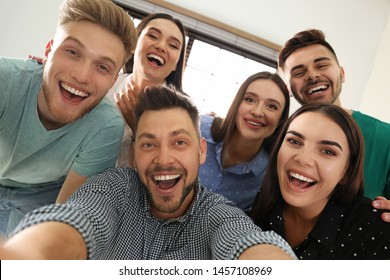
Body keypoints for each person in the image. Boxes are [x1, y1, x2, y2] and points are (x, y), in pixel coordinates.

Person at [0, 86, 296, 260]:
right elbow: (79, 218)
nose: (163, 159)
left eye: (179, 142)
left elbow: (245, 242)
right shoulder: (114, 188)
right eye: (148, 144)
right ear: (133, 152)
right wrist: (27, 257)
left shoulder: (219, 215)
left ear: (201, 151)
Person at [0, 0, 137, 235]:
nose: (82, 76)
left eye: (103, 67)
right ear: (48, 51)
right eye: (73, 52)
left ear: (113, 81)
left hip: (41, 193)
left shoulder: (105, 126)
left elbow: (61, 221)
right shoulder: (5, 80)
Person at [251, 103, 390, 259]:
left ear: (346, 172)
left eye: (328, 151)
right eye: (294, 141)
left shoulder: (376, 231)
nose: (303, 159)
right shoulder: (265, 200)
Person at [277, 29, 390, 220]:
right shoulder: (280, 139)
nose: (312, 76)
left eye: (321, 65)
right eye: (299, 72)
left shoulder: (384, 137)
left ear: (342, 73)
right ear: (289, 88)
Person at [199, 72, 290, 212]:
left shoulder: (269, 177)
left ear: (280, 121)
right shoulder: (196, 129)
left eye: (272, 106)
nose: (258, 112)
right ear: (237, 103)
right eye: (250, 100)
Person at [108, 13, 187, 167]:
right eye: (153, 36)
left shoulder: (181, 115)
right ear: (134, 44)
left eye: (173, 45)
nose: (161, 46)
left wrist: (139, 128)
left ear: (176, 64)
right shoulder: (107, 83)